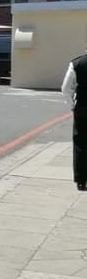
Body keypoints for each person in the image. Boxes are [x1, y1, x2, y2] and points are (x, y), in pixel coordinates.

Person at [62, 49, 87, 191]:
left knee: (80, 143)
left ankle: (81, 180)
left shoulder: (76, 63)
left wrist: (72, 105)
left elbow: (66, 89)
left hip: (82, 107)